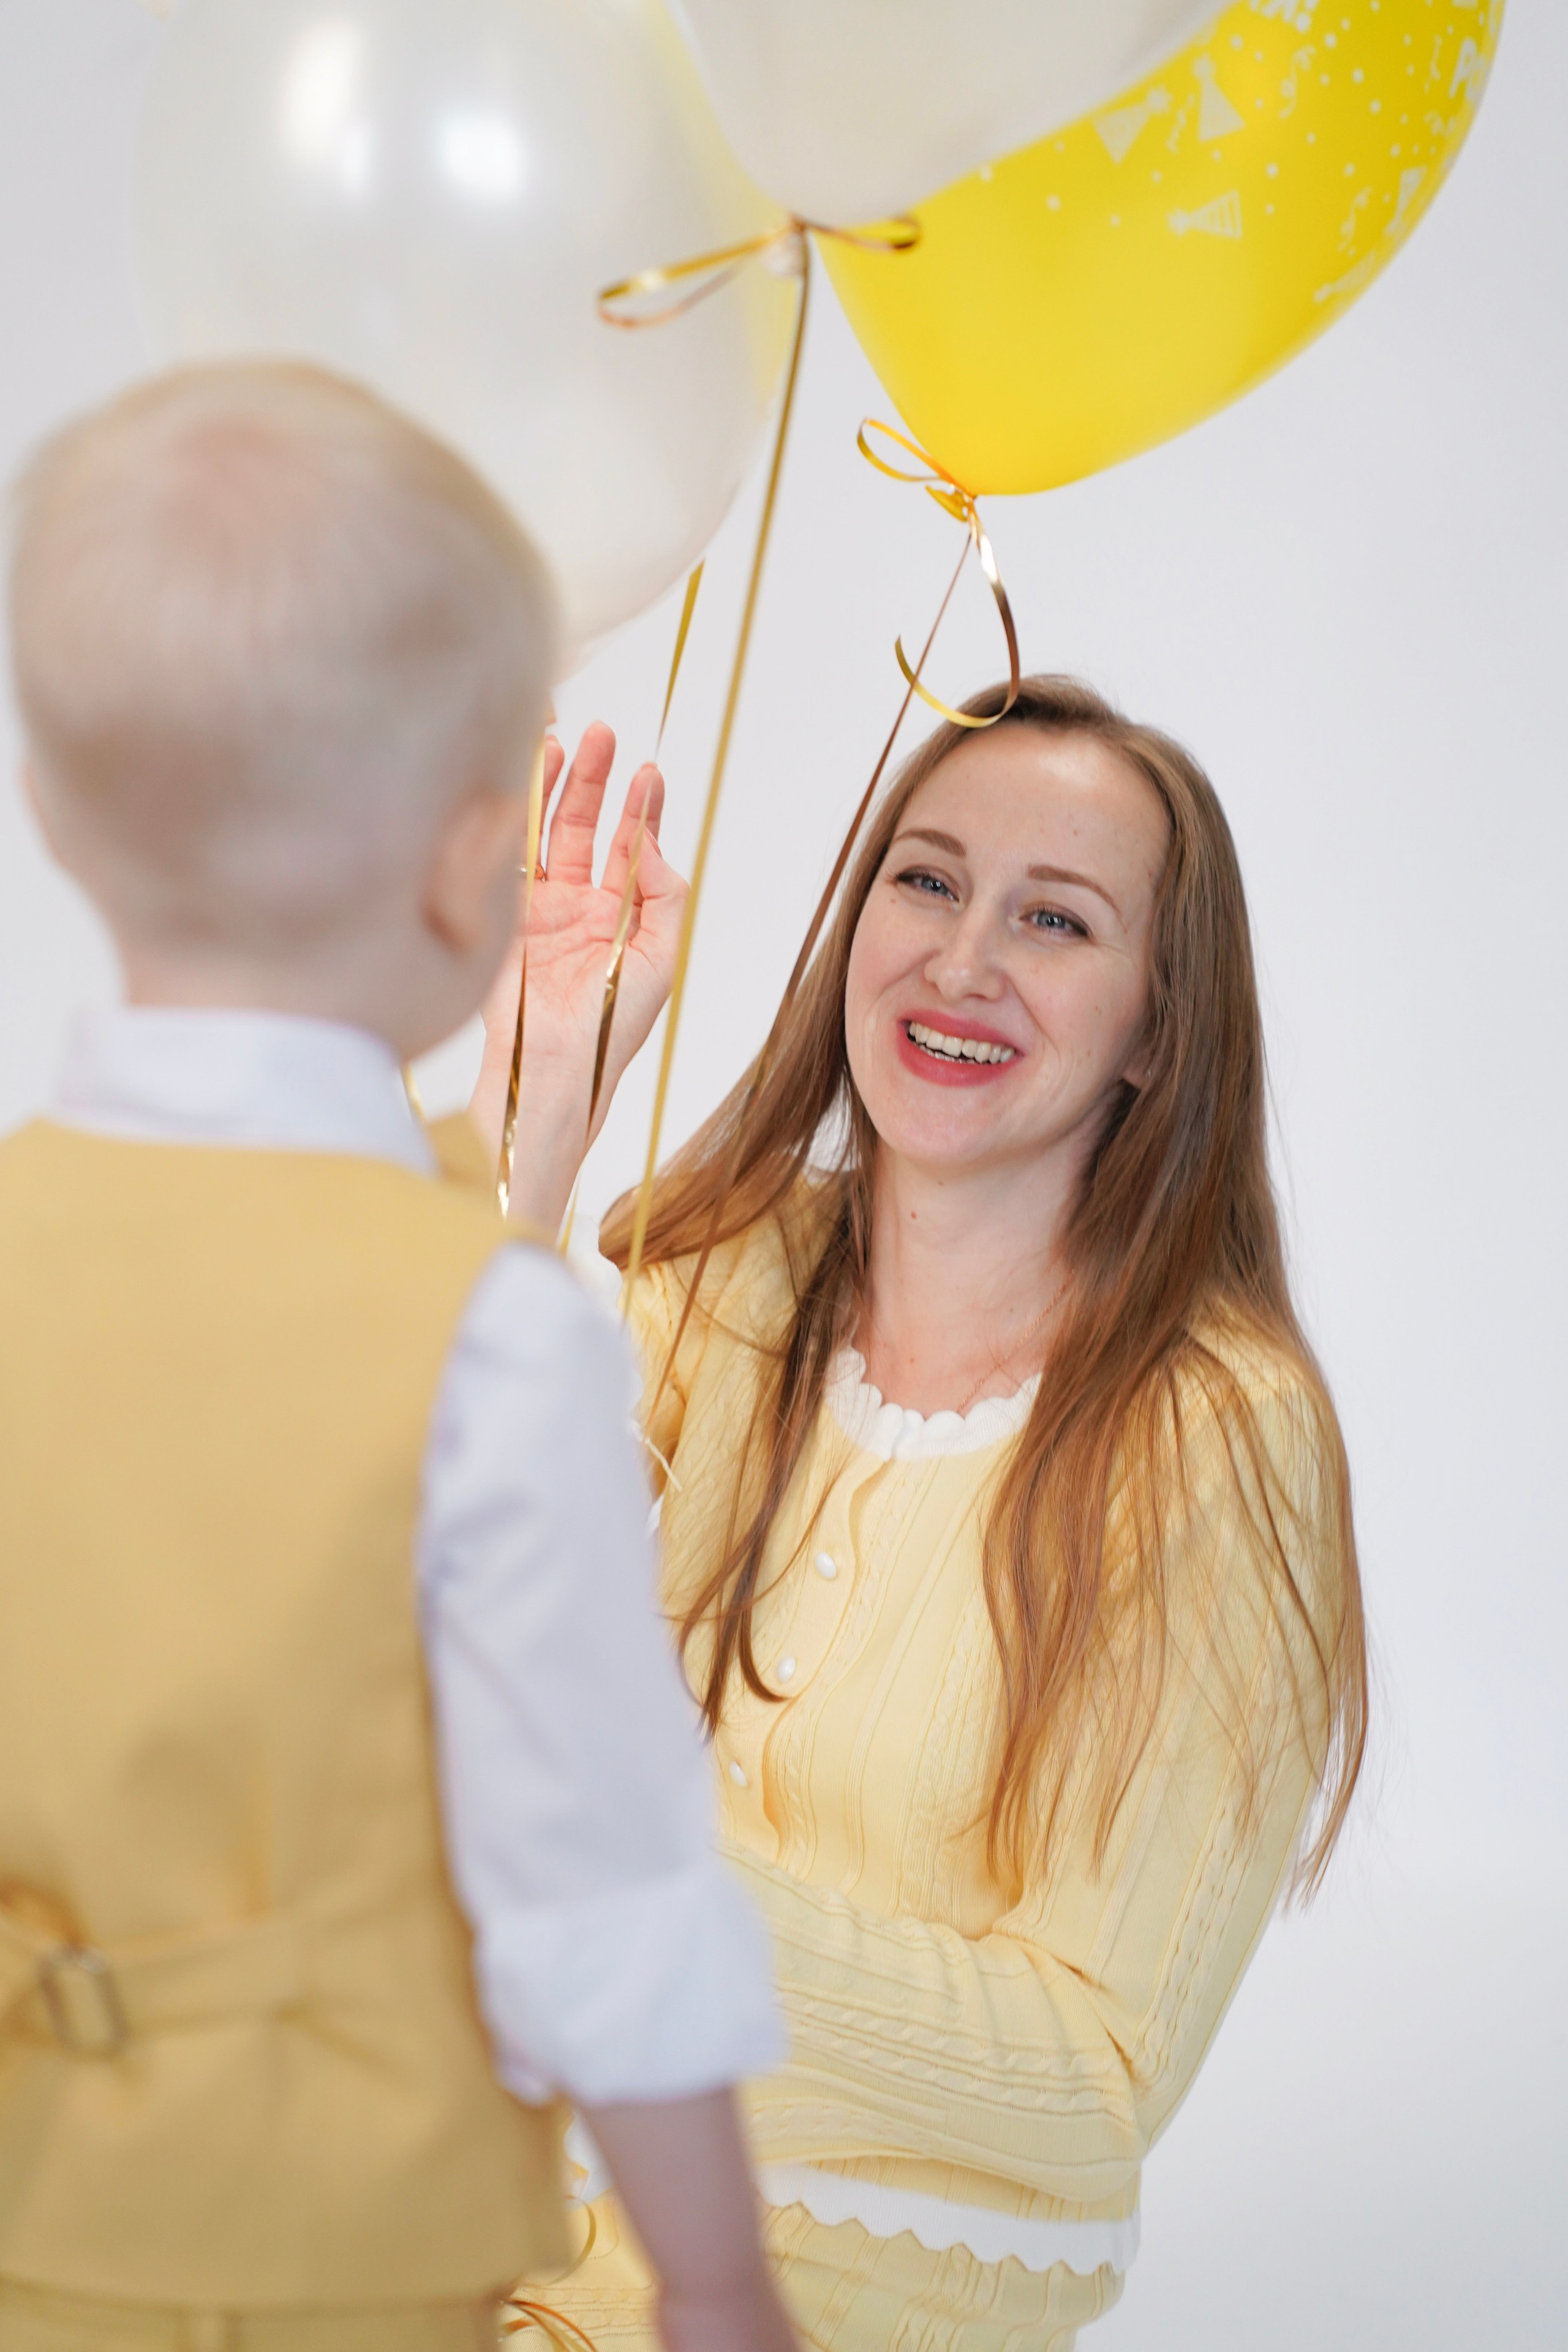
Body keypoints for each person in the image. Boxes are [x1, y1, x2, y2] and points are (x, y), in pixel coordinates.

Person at [0, 363, 797, 2352]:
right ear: (468, 870)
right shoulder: (489, 1337)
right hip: (335, 2267)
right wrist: (713, 2283)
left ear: (55, 815)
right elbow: (593, 1890)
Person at [479, 676, 1370, 2350]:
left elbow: (1094, 2083)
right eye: (929, 878)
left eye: (1055, 917)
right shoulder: (712, 1275)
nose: (962, 961)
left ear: (1160, 1028)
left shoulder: (1213, 1441)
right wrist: (531, 1124)